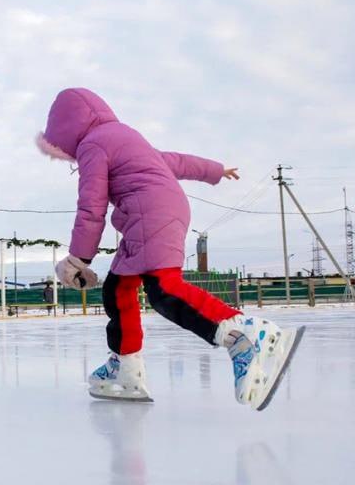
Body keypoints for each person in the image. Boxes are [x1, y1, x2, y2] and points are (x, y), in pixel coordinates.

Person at [36, 88, 304, 410]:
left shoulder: (93, 144)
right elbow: (176, 161)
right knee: (117, 288)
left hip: (149, 212)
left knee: (163, 288)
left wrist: (78, 259)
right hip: (161, 209)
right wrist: (215, 170)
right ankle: (126, 370)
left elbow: (91, 207)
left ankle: (247, 335)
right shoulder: (125, 137)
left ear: (68, 131)